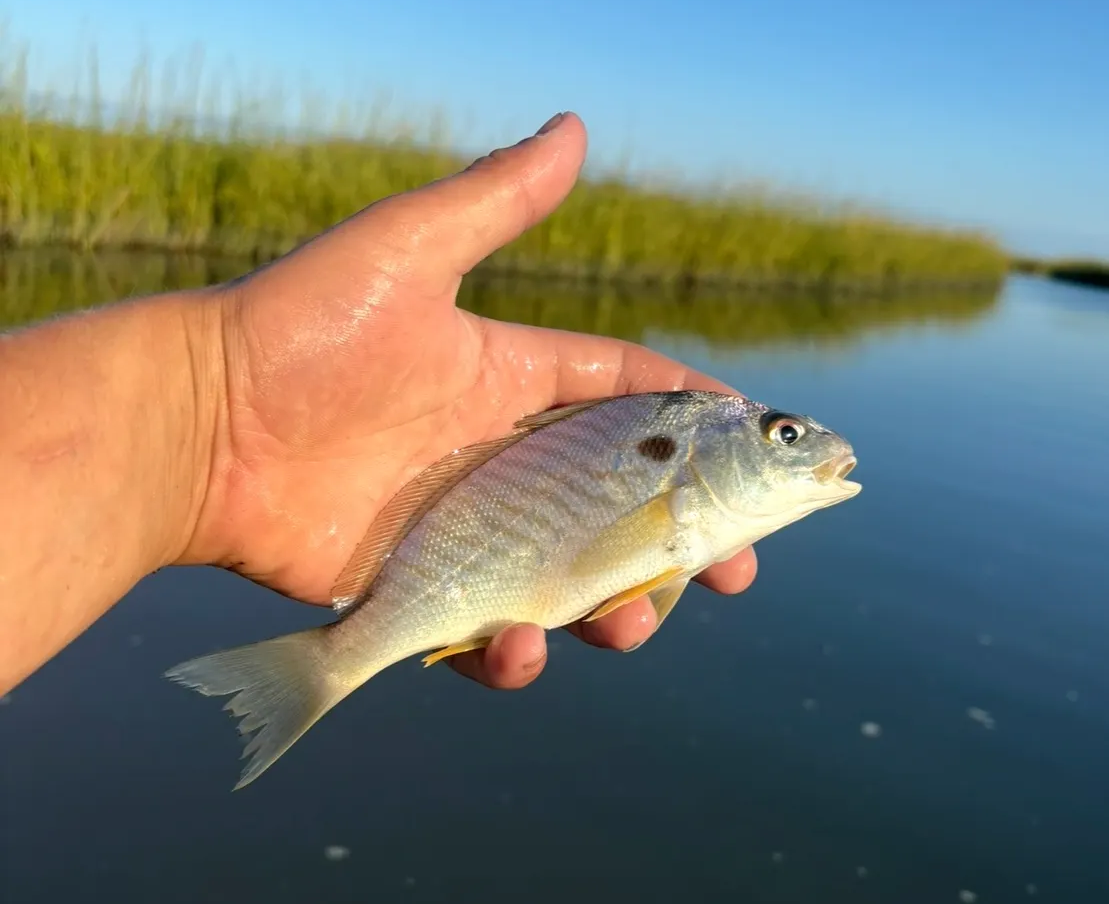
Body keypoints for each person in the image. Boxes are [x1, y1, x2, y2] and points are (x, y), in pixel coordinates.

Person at [0, 112, 757, 697]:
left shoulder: (684, 464)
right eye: (780, 433)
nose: (802, 446)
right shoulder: (685, 434)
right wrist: (212, 408)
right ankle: (327, 666)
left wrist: (205, 417)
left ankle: (332, 662)